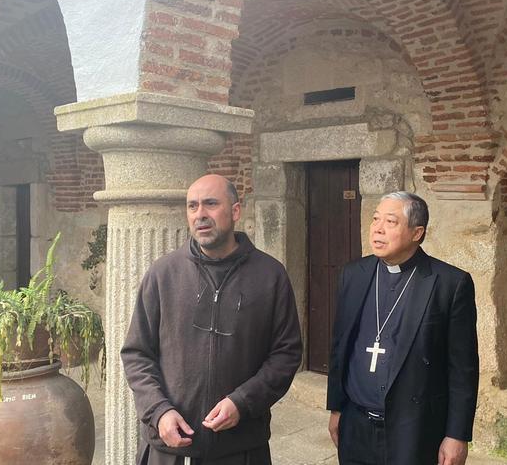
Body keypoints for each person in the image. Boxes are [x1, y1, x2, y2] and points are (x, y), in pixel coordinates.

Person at [121, 174, 303, 465]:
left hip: (240, 448)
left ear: (235, 211)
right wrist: (159, 411)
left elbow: (286, 354)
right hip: (169, 449)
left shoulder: (270, 276)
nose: (200, 215)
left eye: (210, 204)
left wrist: (242, 402)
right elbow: (136, 354)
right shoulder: (163, 274)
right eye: (192, 206)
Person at [327, 191, 479, 465]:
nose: (378, 228)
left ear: (416, 232)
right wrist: (336, 408)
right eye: (375, 219)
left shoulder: (449, 284)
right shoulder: (353, 274)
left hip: (414, 430)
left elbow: (463, 369)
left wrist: (457, 435)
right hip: (355, 425)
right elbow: (340, 348)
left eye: (391, 222)